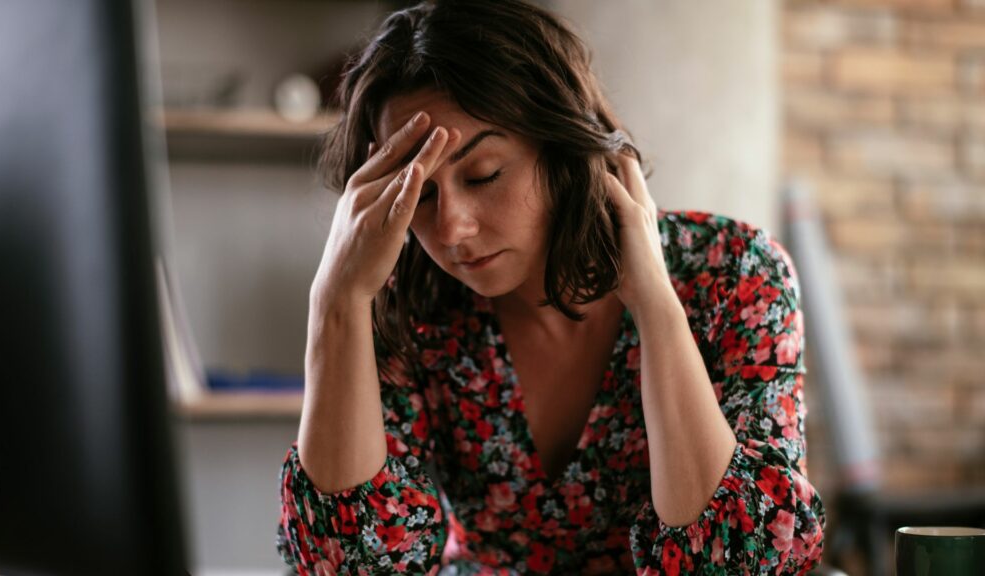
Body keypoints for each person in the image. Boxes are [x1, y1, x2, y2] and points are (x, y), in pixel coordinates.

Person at [277, 0, 827, 573]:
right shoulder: (407, 306)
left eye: (484, 174)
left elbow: (744, 565)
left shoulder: (733, 275)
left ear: (564, 149)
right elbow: (347, 567)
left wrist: (657, 309)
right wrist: (334, 302)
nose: (451, 229)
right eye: (422, 193)